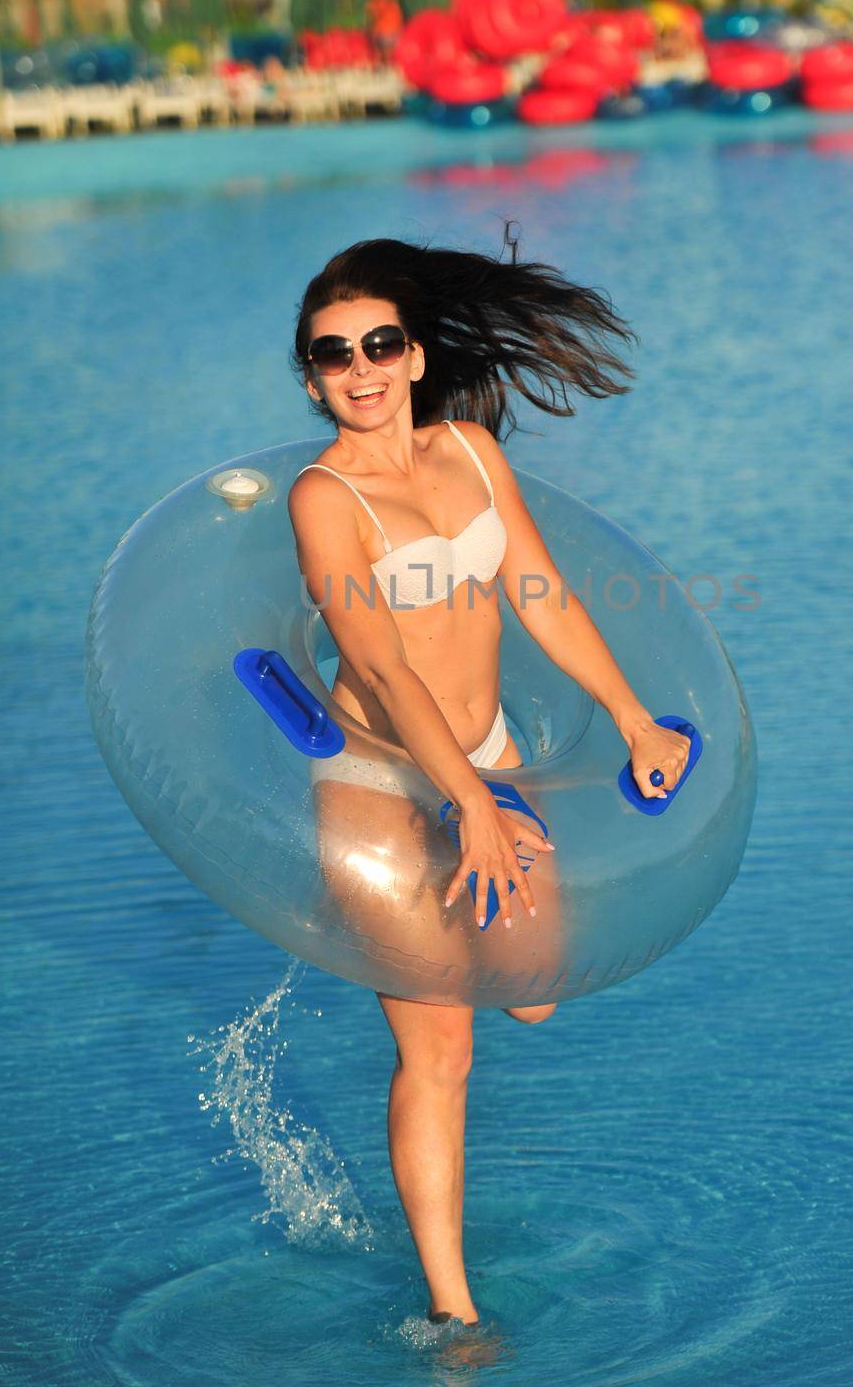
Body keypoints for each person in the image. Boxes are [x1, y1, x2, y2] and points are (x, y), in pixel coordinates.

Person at [286, 230, 692, 1331]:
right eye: (334, 355)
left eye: (380, 343)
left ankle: (491, 919)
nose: (361, 369)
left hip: (496, 749)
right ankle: (456, 1316)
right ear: (313, 374)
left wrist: (632, 718)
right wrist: (465, 803)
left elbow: (542, 592)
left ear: (416, 354)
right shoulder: (326, 500)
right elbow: (375, 660)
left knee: (536, 988)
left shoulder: (468, 450)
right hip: (381, 782)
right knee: (442, 1046)